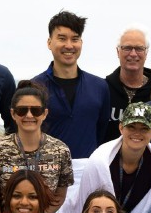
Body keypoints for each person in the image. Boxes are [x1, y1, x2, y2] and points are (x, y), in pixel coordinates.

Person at [68, 101, 151, 213]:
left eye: (144, 128)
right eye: (131, 127)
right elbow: (85, 207)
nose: (137, 133)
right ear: (121, 128)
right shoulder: (99, 161)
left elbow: (147, 211)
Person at [0, 80, 74, 213]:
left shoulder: (60, 150)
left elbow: (59, 196)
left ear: (44, 113)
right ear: (13, 114)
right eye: (22, 110)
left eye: (36, 110)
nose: (29, 115)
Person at [31, 9, 110, 161]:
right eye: (62, 38)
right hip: (46, 169)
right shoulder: (35, 87)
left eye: (75, 39)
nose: (69, 45)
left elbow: (101, 133)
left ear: (81, 43)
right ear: (49, 42)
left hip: (88, 170)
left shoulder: (99, 87)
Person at [104, 27, 151, 141]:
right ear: (118, 52)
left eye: (139, 48)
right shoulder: (103, 90)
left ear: (146, 53)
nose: (133, 54)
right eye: (127, 48)